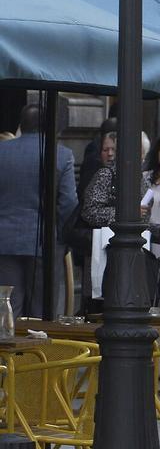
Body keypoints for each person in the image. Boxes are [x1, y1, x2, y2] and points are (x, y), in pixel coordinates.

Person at [0, 104, 77, 318]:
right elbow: (69, 202)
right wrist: (59, 235)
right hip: (45, 240)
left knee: (7, 306)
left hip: (4, 240)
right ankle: (40, 351)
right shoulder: (61, 154)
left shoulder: (2, 151)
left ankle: (7, 350)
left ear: (21, 125)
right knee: (42, 310)